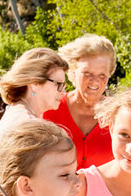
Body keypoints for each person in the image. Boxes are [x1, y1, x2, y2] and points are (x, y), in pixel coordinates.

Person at [43, 34, 116, 169]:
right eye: (87, 73)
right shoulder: (48, 110)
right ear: (73, 72)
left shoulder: (118, 113)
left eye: (102, 75)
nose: (95, 81)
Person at [0, 47, 68, 145]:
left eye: (64, 85)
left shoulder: (17, 113)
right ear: (34, 84)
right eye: (58, 84)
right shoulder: (28, 126)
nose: (64, 92)